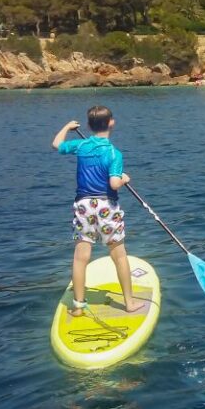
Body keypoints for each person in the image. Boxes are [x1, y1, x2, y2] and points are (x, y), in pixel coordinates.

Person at [52, 106, 145, 317]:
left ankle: (78, 306)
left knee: (80, 257)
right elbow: (114, 183)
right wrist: (124, 179)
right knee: (119, 256)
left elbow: (57, 144)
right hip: (106, 207)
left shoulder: (82, 145)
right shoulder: (114, 153)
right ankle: (129, 303)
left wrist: (67, 126)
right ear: (111, 123)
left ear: (88, 126)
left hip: (84, 206)